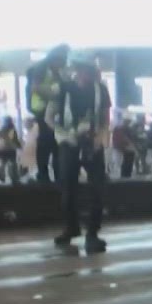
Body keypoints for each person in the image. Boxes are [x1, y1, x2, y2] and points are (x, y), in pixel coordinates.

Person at [49, 59, 111, 253]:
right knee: (68, 187)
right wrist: (65, 134)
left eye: (92, 71)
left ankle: (92, 233)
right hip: (68, 143)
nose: (89, 75)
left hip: (93, 143)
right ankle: (71, 227)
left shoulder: (101, 90)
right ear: (77, 70)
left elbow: (105, 118)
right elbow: (49, 117)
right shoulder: (62, 89)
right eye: (86, 71)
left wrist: (99, 138)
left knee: (97, 188)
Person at [26, 44, 70, 184]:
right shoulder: (42, 68)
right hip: (42, 108)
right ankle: (43, 174)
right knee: (46, 141)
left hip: (54, 110)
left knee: (56, 142)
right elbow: (35, 88)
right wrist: (52, 95)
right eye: (63, 58)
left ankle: (57, 174)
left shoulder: (58, 70)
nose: (64, 62)